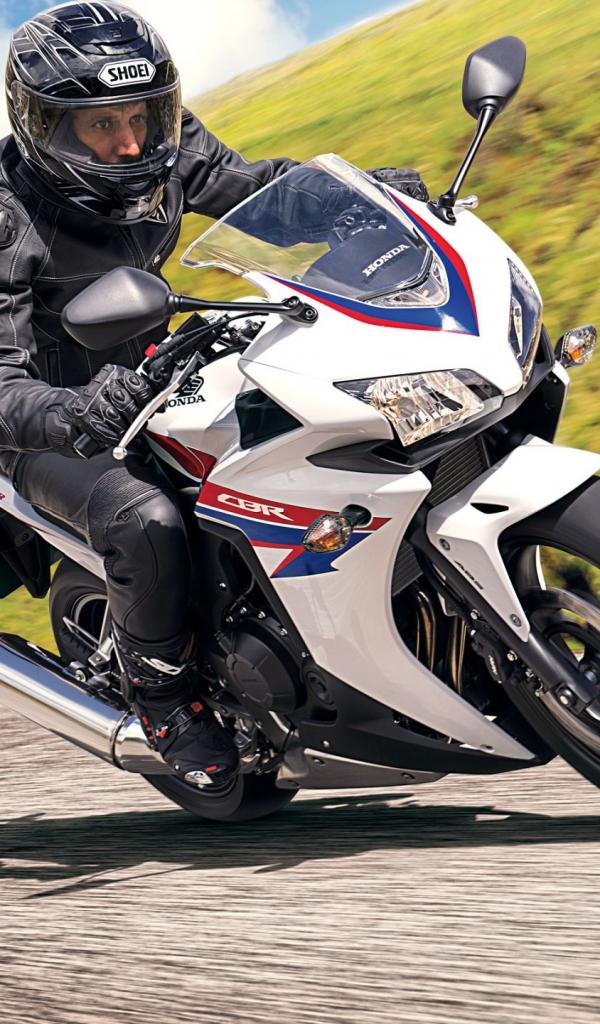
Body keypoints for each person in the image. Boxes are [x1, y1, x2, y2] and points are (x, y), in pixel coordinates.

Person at [0, 1, 427, 790]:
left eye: (142, 115)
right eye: (102, 125)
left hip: (157, 373)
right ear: (44, 126)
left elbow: (256, 192)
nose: (132, 142)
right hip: (49, 428)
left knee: (319, 428)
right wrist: (75, 412)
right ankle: (165, 698)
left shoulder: (164, 149)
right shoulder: (7, 217)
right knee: (146, 519)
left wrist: (360, 199)